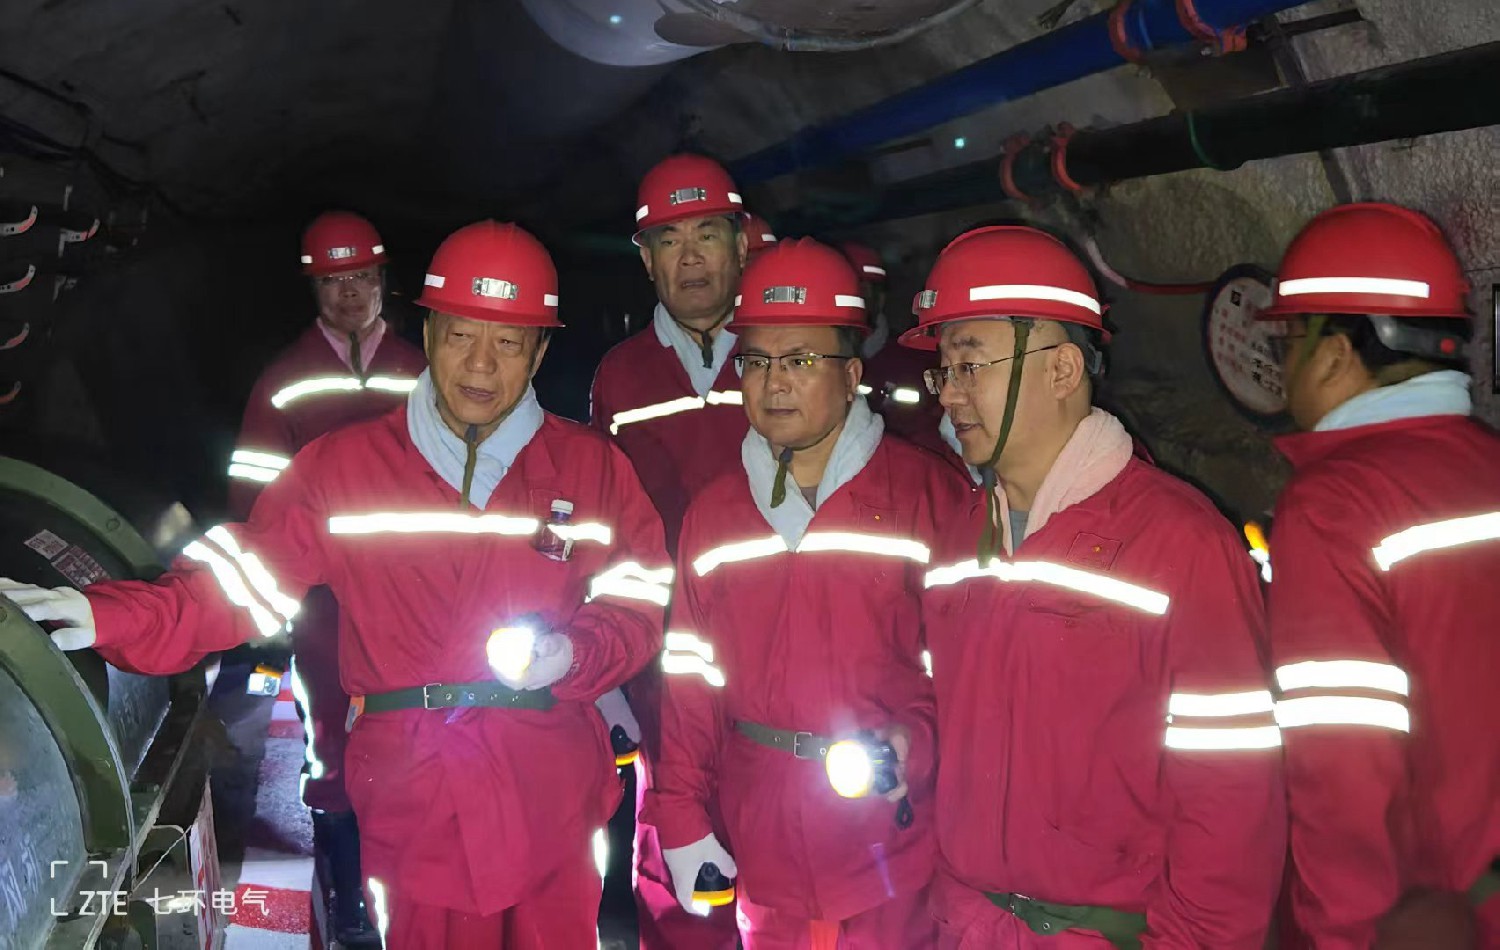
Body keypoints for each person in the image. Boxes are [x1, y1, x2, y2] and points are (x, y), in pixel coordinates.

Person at [3, 221, 670, 950]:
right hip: (420, 796)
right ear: (429, 332)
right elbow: (238, 583)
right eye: (460, 335)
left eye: (509, 342)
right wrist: (106, 615)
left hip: (553, 790)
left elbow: (638, 599)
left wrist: (575, 654)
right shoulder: (343, 469)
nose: (480, 363)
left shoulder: (591, 470)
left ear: (540, 352)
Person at [910, 225, 1285, 948]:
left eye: (970, 364)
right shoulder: (958, 539)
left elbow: (1232, 796)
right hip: (970, 925)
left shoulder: (1179, 545)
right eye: (943, 371)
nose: (949, 394)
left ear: (1061, 369)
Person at [648, 237, 966, 948]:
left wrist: (914, 747)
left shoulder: (928, 498)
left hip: (896, 837)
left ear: (850, 375)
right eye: (757, 361)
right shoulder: (715, 515)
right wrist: (681, 814)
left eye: (799, 360)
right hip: (766, 839)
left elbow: (969, 672)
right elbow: (691, 679)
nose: (774, 383)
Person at [1257, 202, 1500, 948]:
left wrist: (1343, 936)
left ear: (1335, 354)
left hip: (1436, 918)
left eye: (1289, 341)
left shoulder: (1335, 506)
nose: (1280, 366)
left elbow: (1342, 767)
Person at [229, 210, 426, 947]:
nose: (350, 294)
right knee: (334, 749)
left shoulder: (424, 371)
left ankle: (413, 887)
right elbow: (254, 498)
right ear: (314, 288)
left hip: (417, 600)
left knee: (421, 739)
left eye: (362, 277)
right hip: (325, 606)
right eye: (334, 280)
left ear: (383, 280)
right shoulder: (283, 384)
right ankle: (351, 906)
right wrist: (270, 602)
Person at [589, 152, 751, 949]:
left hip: (775, 639)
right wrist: (609, 678)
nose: (690, 259)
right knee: (675, 841)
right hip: (664, 655)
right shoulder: (620, 379)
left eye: (707, 235)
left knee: (783, 829)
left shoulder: (789, 354)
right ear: (646, 259)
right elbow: (603, 526)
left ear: (742, 244)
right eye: (670, 240)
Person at [840, 241, 946, 455]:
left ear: (879, 298)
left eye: (861, 293)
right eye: (844, 294)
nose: (854, 304)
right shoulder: (811, 365)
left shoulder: (916, 364)